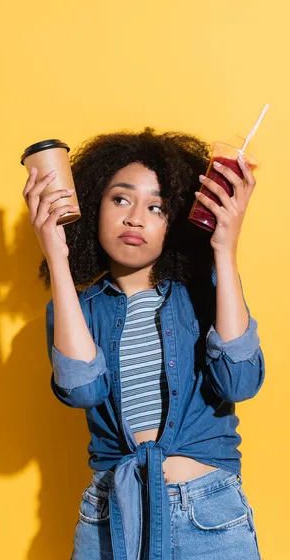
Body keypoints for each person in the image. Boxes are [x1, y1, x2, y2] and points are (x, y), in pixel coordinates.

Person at [22, 128, 264, 560]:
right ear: (95, 204)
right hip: (108, 518)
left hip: (206, 516)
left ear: (174, 222)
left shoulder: (204, 293)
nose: (135, 217)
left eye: (156, 207)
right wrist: (56, 255)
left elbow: (239, 380)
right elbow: (82, 389)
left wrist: (225, 251)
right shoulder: (75, 311)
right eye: (120, 199)